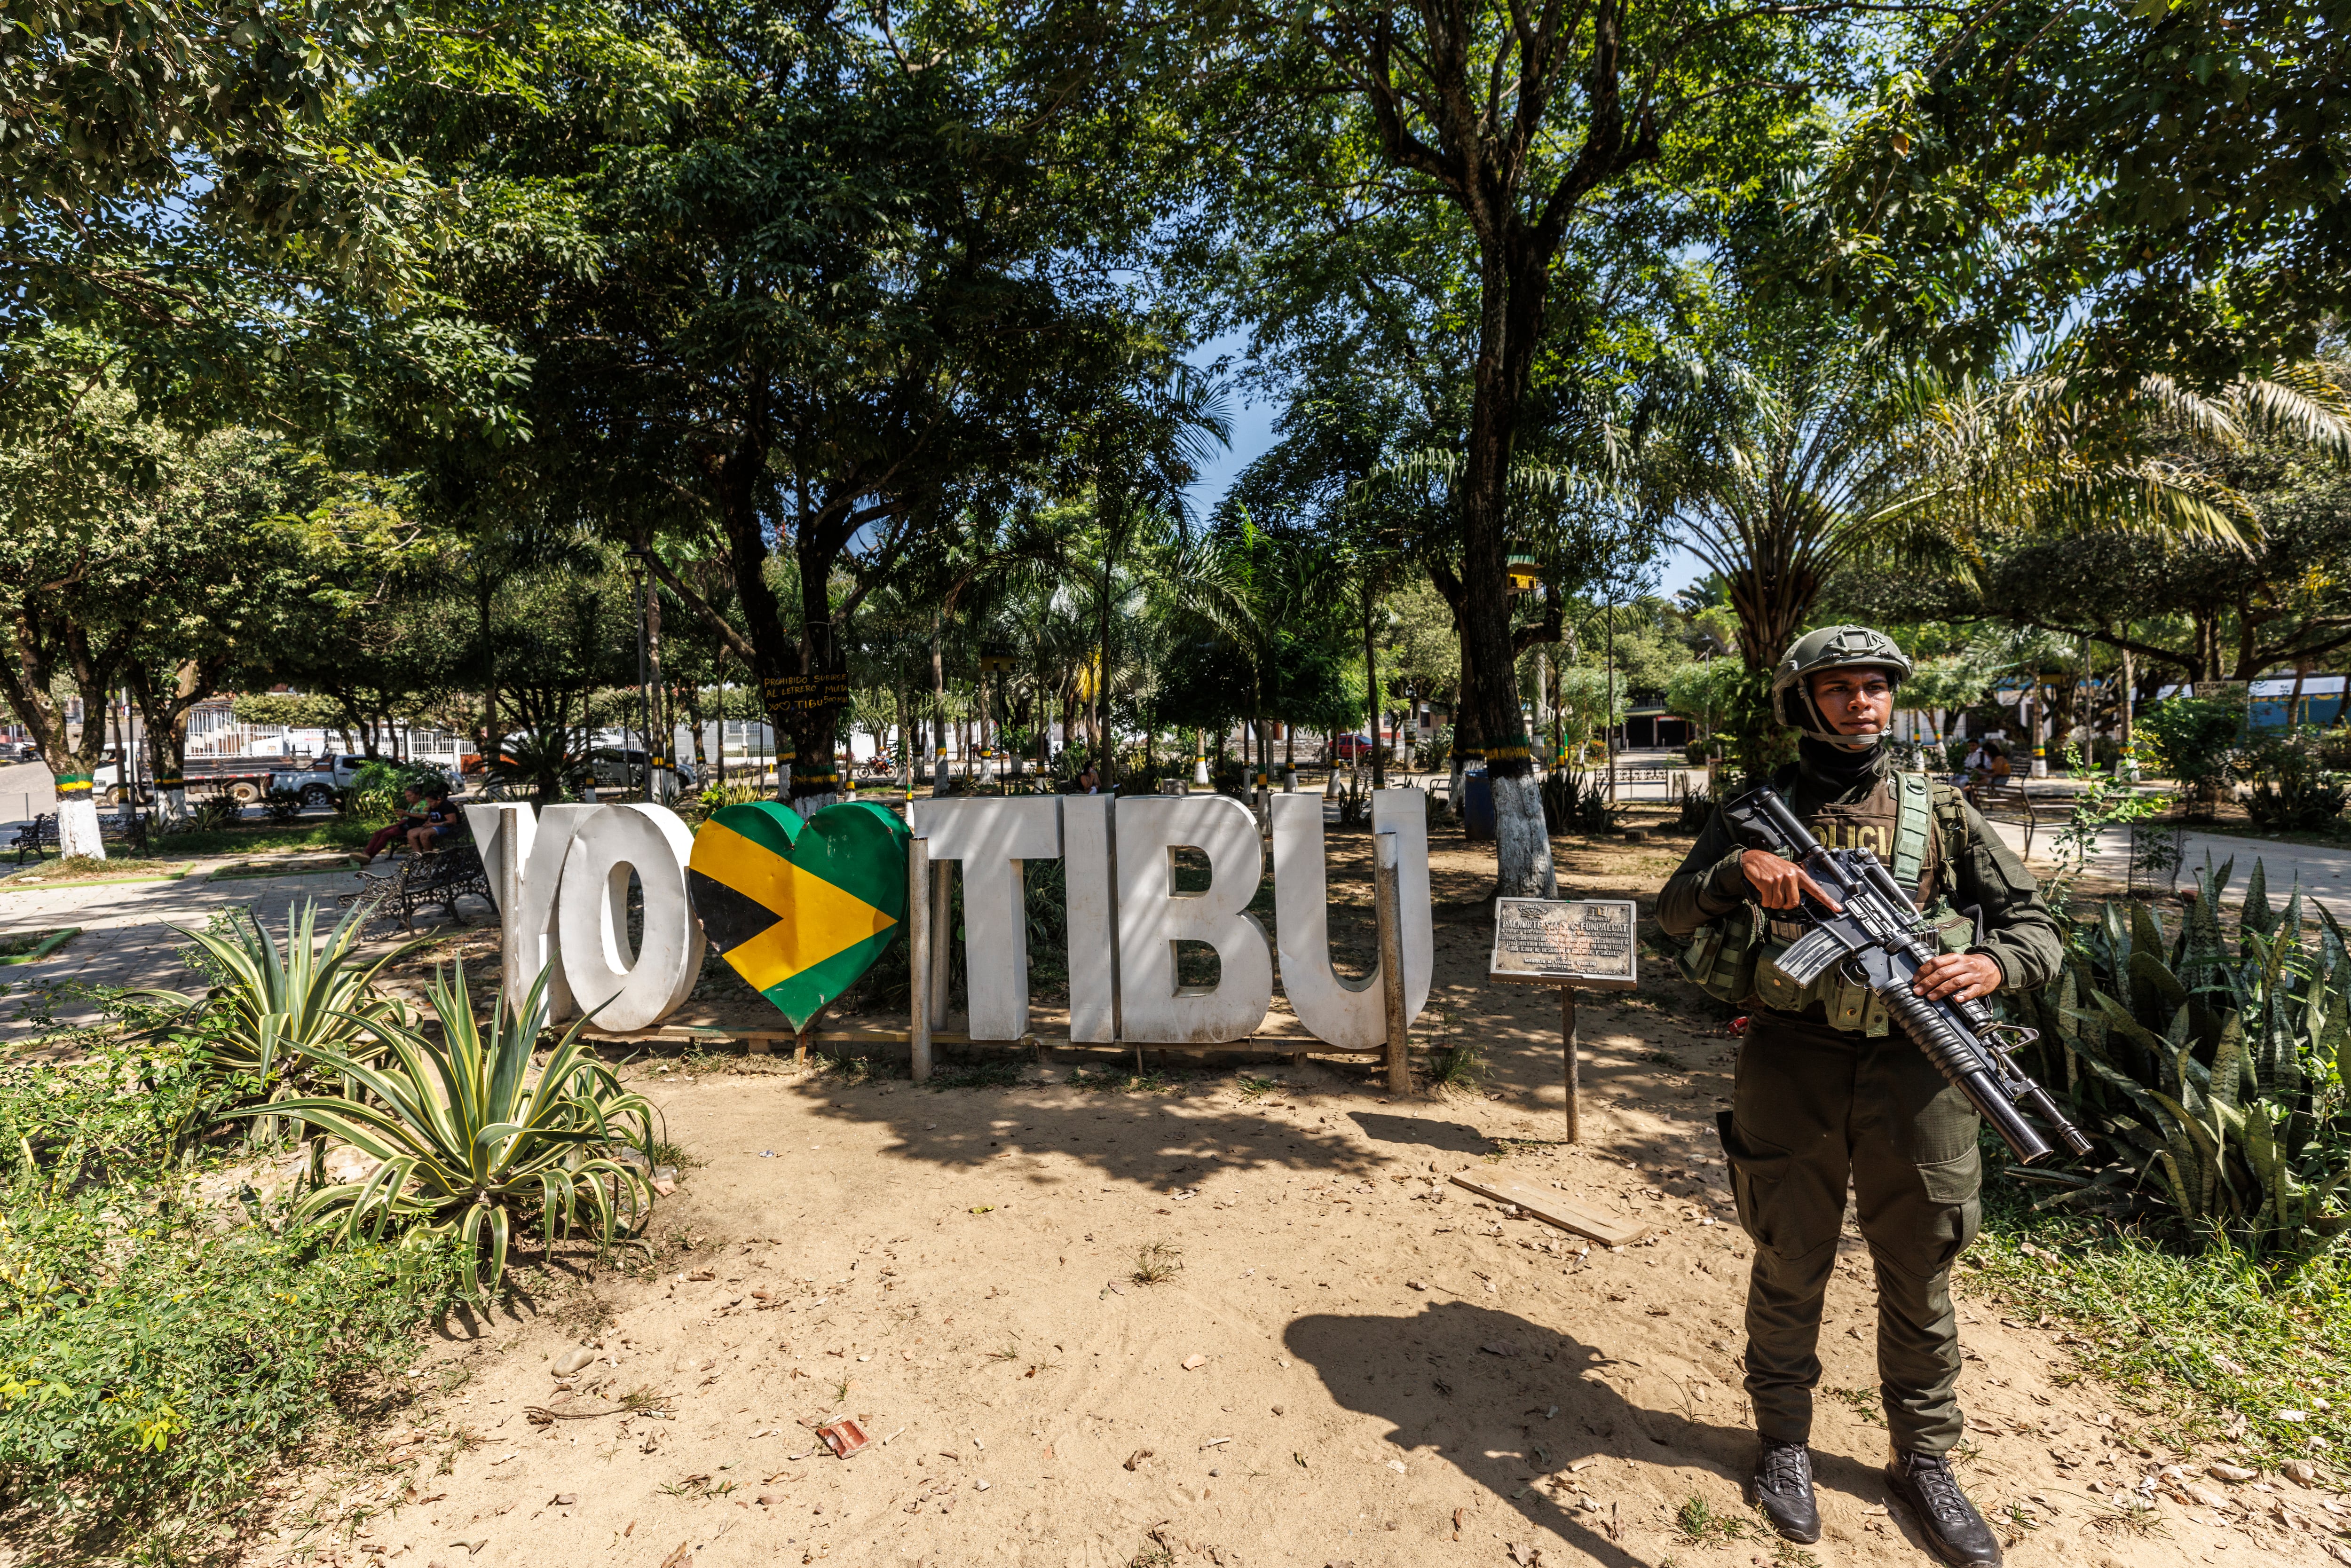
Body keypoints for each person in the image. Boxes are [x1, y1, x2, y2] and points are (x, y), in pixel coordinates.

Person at [1657, 625, 2063, 1568]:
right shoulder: (1755, 810)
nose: (1860, 701)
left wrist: (1989, 963)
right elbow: (1672, 915)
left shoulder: (1941, 810)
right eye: (1837, 687)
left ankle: (1924, 1459)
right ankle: (1783, 1442)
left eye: (1874, 685)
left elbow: (2035, 927)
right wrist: (1733, 873)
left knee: (1919, 1267)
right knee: (1789, 1253)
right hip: (1790, 1060)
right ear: (1803, 701)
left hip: (1917, 1070)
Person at [352, 785, 426, 866]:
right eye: (406, 796)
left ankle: (369, 856)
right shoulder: (412, 805)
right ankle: (366, 853)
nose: (408, 798)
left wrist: (407, 814)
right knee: (378, 833)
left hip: (412, 826)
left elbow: (424, 816)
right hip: (403, 824)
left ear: (418, 795)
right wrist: (402, 814)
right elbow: (408, 815)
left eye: (410, 796)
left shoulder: (423, 803)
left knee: (386, 834)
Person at [403, 780, 465, 856]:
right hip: (434, 826)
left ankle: (430, 857)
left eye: (431, 802)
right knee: (411, 833)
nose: (429, 804)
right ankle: (419, 856)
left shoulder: (446, 806)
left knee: (424, 834)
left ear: (439, 799)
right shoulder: (434, 806)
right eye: (428, 802)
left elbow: (452, 821)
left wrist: (433, 824)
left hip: (448, 828)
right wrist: (428, 822)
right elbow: (431, 816)